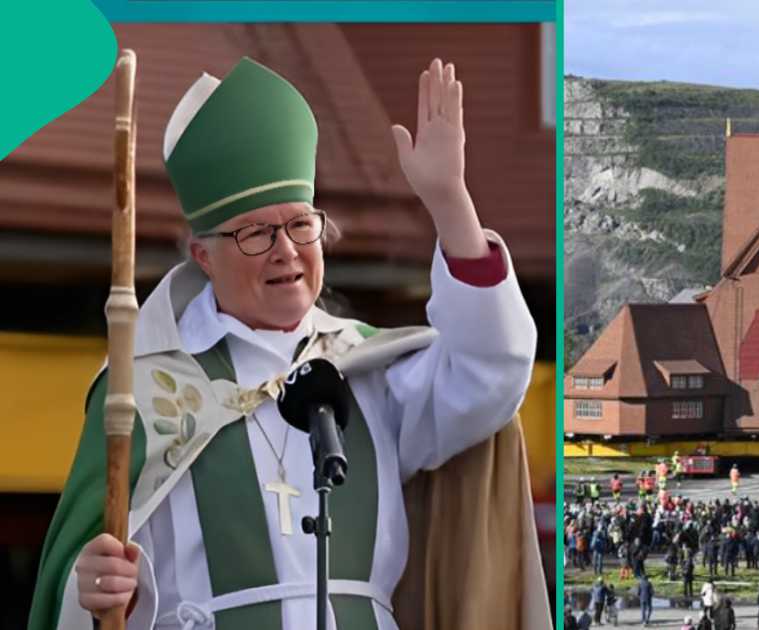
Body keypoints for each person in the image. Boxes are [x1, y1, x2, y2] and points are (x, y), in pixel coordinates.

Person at [30, 57, 544, 630]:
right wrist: (97, 587)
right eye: (256, 233)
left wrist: (450, 202)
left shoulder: (364, 368)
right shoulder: (144, 389)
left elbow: (490, 373)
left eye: (302, 225)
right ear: (203, 256)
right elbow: (92, 593)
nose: (286, 251)